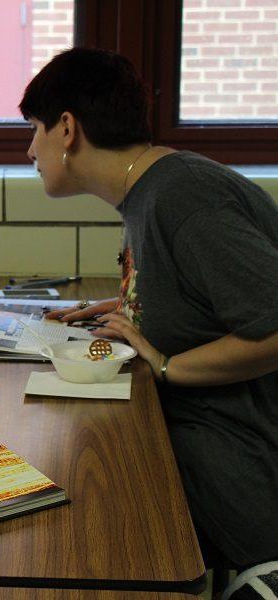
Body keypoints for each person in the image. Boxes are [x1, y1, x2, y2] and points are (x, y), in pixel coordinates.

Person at [19, 47, 278, 584]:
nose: (29, 149)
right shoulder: (150, 188)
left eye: (34, 129)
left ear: (67, 129)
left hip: (246, 490)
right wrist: (129, 304)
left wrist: (166, 365)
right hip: (199, 457)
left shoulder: (182, 195)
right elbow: (211, 296)